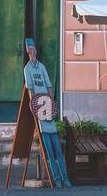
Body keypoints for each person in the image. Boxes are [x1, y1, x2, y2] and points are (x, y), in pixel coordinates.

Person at [23, 38, 71, 187]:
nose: (32, 52)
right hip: (39, 109)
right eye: (29, 49)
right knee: (49, 151)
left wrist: (52, 103)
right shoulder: (27, 69)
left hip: (48, 108)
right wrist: (33, 107)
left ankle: (65, 177)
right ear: (26, 51)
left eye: (33, 49)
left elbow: (49, 85)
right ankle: (56, 179)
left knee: (58, 148)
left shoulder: (42, 67)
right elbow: (30, 89)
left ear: (36, 50)